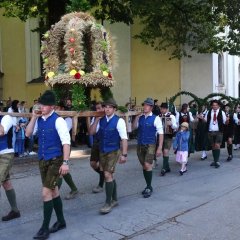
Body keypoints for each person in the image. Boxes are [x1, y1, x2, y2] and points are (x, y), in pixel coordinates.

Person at [26, 90, 70, 239]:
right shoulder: (39, 119)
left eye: (44, 105)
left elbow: (66, 143)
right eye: (40, 104)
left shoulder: (58, 120)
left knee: (46, 192)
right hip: (43, 159)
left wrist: (65, 162)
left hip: (56, 159)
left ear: (52, 106)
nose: (41, 107)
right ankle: (61, 221)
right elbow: (27, 134)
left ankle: (44, 228)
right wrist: (33, 117)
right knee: (54, 191)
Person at [89, 98, 128, 214]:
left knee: (107, 174)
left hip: (113, 150)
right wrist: (96, 120)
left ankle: (108, 202)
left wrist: (124, 154)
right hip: (102, 150)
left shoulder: (119, 121)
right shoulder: (100, 120)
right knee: (109, 175)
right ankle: (115, 199)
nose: (107, 109)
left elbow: (124, 139)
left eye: (110, 107)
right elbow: (91, 132)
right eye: (105, 107)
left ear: (114, 109)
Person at [133, 97, 163, 198]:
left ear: (151, 107)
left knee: (147, 164)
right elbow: (133, 127)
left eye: (147, 105)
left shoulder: (156, 118)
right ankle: (147, 186)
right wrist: (137, 117)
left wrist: (159, 148)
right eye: (144, 105)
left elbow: (161, 133)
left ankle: (149, 187)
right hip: (140, 144)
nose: (144, 107)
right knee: (144, 166)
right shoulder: (140, 117)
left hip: (151, 144)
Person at [56, 102, 78, 200]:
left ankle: (53, 195)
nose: (54, 109)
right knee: (62, 170)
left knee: (60, 172)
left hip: (64, 145)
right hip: (56, 146)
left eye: (56, 108)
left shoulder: (67, 119)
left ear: (61, 108)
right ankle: (74, 189)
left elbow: (64, 129)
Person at [0, 112, 21, 221]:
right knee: (6, 182)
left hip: (5, 155)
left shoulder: (6, 117)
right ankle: (15, 211)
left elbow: (1, 132)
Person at [88, 102, 105, 193]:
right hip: (96, 143)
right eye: (96, 109)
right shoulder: (95, 118)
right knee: (93, 164)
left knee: (102, 165)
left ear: (104, 108)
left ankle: (100, 185)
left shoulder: (107, 118)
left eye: (99, 108)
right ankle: (105, 175)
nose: (97, 110)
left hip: (104, 144)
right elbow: (91, 132)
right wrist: (97, 120)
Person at [204, 99, 226, 168]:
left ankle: (217, 161)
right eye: (213, 105)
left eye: (216, 105)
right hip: (210, 131)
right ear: (211, 106)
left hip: (219, 131)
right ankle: (214, 160)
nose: (214, 106)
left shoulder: (222, 112)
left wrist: (227, 121)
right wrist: (201, 118)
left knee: (217, 145)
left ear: (218, 105)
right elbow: (206, 120)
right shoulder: (209, 112)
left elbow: (225, 121)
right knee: (213, 145)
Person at [159, 102, 177, 176]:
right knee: (163, 152)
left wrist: (171, 124)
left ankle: (164, 168)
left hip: (168, 136)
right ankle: (167, 167)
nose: (162, 110)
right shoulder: (159, 116)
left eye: (163, 109)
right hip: (160, 136)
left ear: (166, 109)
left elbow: (175, 126)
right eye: (161, 109)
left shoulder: (171, 116)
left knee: (166, 151)